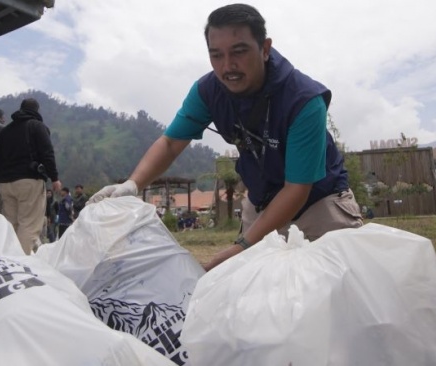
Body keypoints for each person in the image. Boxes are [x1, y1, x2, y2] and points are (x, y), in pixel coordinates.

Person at [88, 4, 362, 271]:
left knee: (334, 300)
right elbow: (171, 143)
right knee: (253, 302)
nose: (228, 66)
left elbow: (297, 189)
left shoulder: (303, 100)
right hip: (263, 204)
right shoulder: (209, 91)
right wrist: (132, 185)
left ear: (265, 48)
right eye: (216, 55)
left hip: (319, 204)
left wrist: (241, 247)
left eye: (239, 52)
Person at [0, 98, 61, 254]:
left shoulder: (5, 131)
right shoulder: (37, 126)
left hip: (5, 183)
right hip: (29, 180)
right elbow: (47, 153)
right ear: (36, 110)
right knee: (29, 224)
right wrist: (54, 178)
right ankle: (19, 263)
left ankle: (5, 261)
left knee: (11, 224)